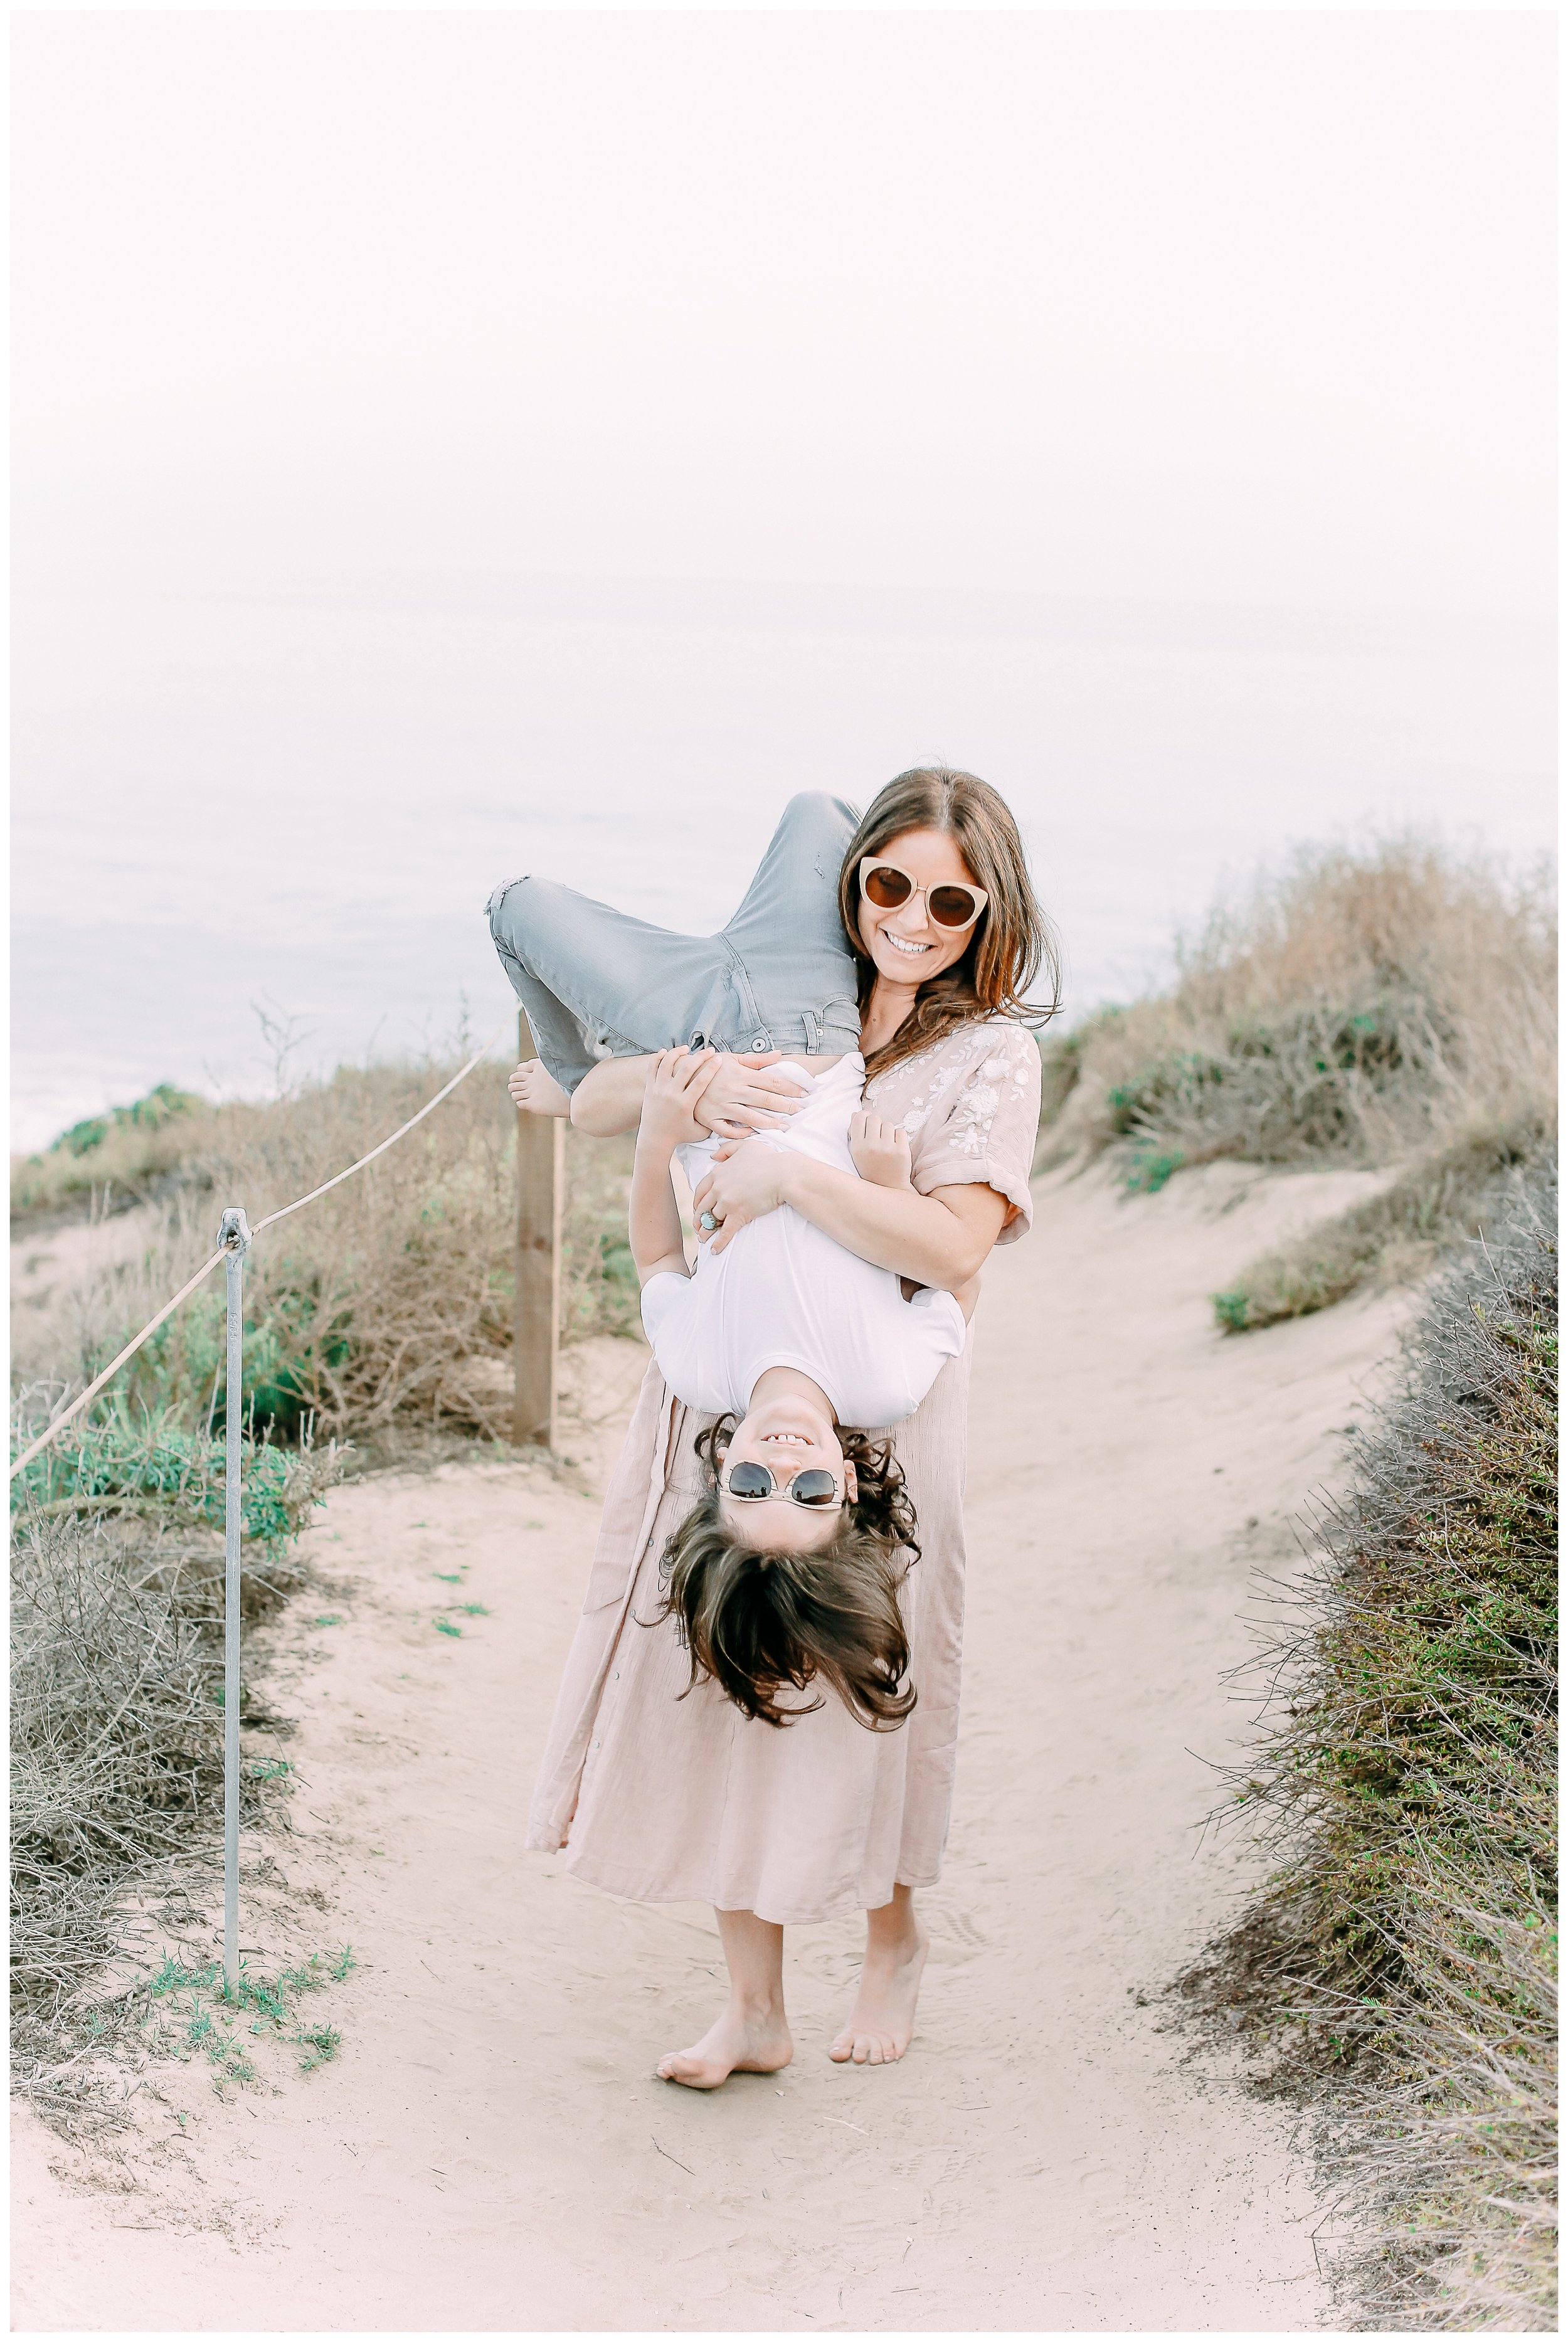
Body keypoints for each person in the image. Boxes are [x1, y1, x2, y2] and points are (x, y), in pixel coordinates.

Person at [487, 768, 1056, 2086]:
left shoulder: (989, 1051)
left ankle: (892, 1935)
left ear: (989, 918)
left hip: (882, 1438)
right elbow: (612, 1112)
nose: (911, 918)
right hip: (720, 1409)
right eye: (888, 884)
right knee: (729, 1684)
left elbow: (955, 1245)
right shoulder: (808, 977)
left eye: (948, 903)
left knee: (864, 1691)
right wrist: (675, 1090)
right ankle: (751, 2006)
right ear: (851, 880)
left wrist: (792, 1178)